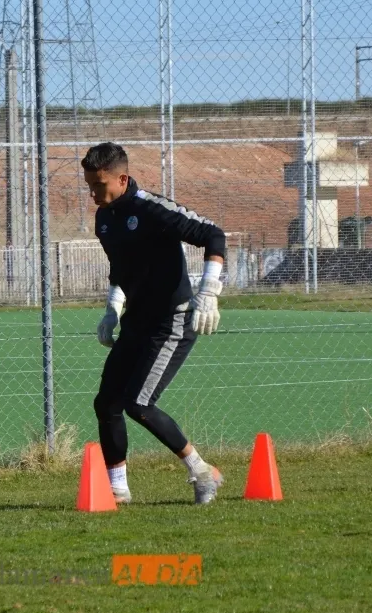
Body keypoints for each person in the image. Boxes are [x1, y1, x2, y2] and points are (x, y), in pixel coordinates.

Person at [82, 142, 227, 505]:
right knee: (107, 403)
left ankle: (202, 471)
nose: (93, 193)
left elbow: (213, 235)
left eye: (99, 185)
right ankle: (118, 489)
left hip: (171, 322)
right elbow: (121, 269)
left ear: (122, 179)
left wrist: (209, 291)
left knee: (139, 404)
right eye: (89, 185)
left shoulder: (152, 208)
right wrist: (112, 308)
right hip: (136, 321)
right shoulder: (104, 219)